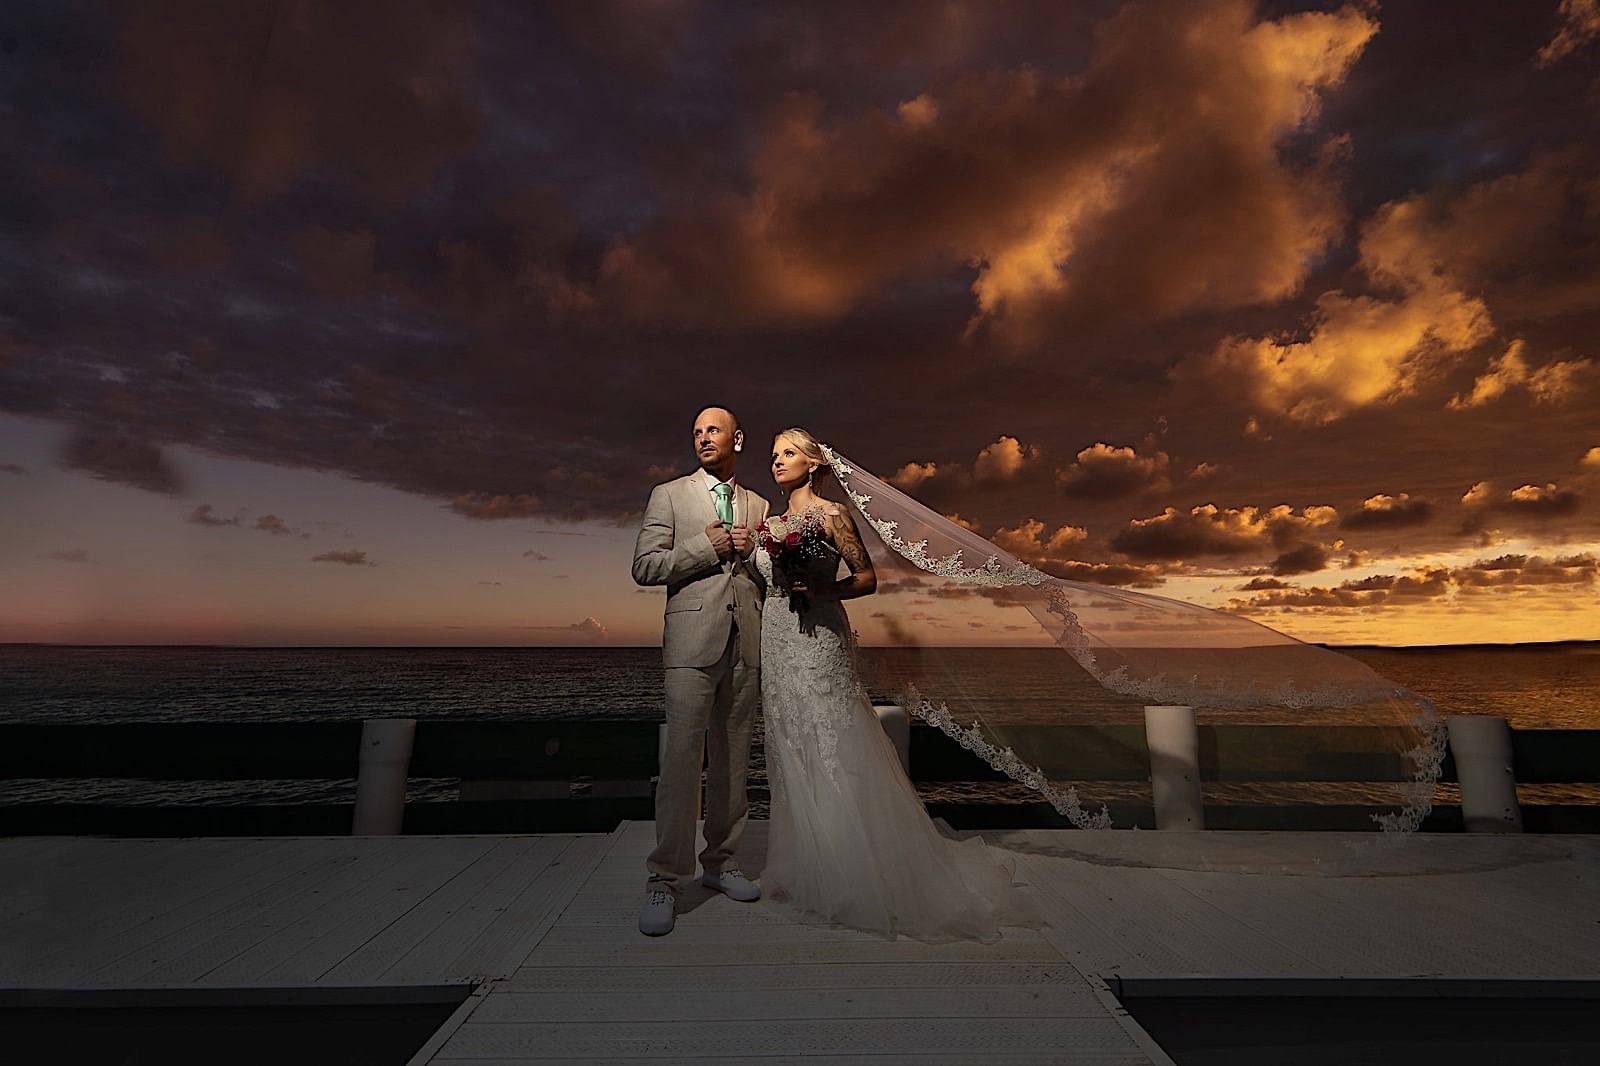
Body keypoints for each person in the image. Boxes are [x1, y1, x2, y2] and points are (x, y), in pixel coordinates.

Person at [754, 427, 1036, 943]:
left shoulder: (833, 515)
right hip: (776, 636)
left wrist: (822, 589)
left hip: (819, 634)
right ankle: (801, 865)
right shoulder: (768, 525)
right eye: (773, 455)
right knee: (788, 739)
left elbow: (866, 578)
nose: (777, 462)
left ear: (813, 463)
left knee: (833, 738)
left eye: (788, 453)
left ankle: (851, 870)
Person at [631, 404, 770, 936]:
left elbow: (765, 578)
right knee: (682, 763)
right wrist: (703, 547)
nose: (703, 438)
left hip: (747, 643)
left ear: (738, 438)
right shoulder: (668, 495)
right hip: (691, 645)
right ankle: (665, 879)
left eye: (713, 430)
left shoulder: (760, 504)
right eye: (696, 432)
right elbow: (645, 567)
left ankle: (721, 863)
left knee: (734, 763)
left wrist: (755, 554)